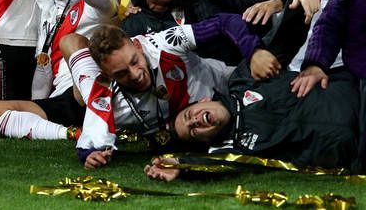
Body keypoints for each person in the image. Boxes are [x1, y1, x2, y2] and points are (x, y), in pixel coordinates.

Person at [70, 15, 265, 168]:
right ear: (108, 75)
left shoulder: (164, 43)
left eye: (134, 61)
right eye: (122, 74)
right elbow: (89, 144)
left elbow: (225, 22)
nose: (136, 74)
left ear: (138, 46)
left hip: (227, 83)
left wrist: (254, 51)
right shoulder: (105, 98)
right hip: (197, 128)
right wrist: (91, 156)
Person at [0, 0, 118, 139]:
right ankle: (71, 134)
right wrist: (39, 105)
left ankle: (97, 114)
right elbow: (43, 66)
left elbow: (105, 4)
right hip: (62, 99)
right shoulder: (45, 7)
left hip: (90, 91)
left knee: (71, 41)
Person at [146, 65, 361, 180]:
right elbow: (218, 163)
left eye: (189, 115)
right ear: (206, 139)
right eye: (193, 131)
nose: (195, 122)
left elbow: (279, 41)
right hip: (359, 151)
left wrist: (286, 1)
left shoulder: (244, 77)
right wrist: (182, 167)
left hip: (358, 93)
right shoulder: (235, 150)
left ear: (203, 100)